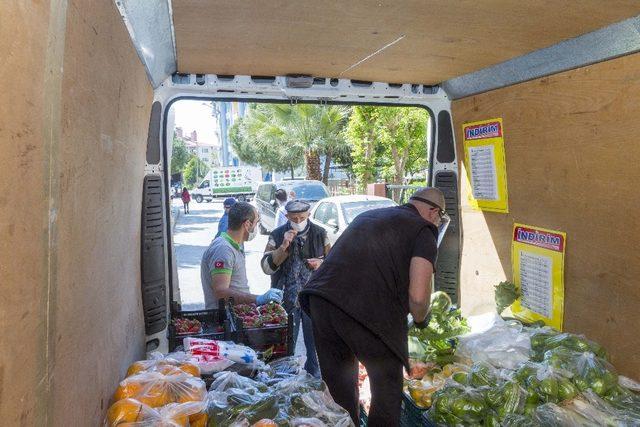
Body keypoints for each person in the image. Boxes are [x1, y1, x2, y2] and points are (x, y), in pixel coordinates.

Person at [299, 187, 447, 426]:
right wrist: (421, 319)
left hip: (321, 301)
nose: (438, 222)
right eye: (440, 217)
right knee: (387, 385)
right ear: (433, 212)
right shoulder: (424, 230)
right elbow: (419, 297)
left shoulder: (369, 216)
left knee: (340, 391)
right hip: (364, 310)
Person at [261, 200, 330, 378]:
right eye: (294, 218)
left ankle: (314, 378)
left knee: (314, 346)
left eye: (302, 217)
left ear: (308, 215)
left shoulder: (320, 234)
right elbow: (266, 268)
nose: (298, 221)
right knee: (285, 345)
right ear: (287, 217)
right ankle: (285, 379)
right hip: (286, 301)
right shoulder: (277, 235)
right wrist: (283, 246)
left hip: (312, 300)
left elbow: (334, 266)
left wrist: (322, 263)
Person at [201, 201, 283, 309]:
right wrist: (258, 299)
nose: (256, 227)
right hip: (225, 320)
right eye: (256, 222)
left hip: (237, 315)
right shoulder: (223, 250)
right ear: (247, 224)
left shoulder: (233, 246)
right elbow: (221, 292)